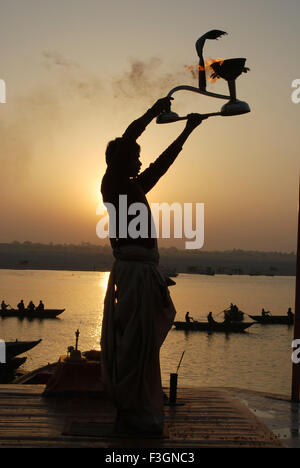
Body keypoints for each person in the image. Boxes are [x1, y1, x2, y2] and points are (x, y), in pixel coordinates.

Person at [100, 96, 204, 434]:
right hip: (132, 274)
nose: (139, 161)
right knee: (132, 345)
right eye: (134, 157)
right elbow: (130, 135)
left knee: (142, 346)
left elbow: (163, 164)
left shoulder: (133, 187)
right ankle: (131, 410)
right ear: (117, 161)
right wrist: (154, 111)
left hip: (143, 274)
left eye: (138, 158)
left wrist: (187, 131)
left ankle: (136, 407)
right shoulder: (113, 185)